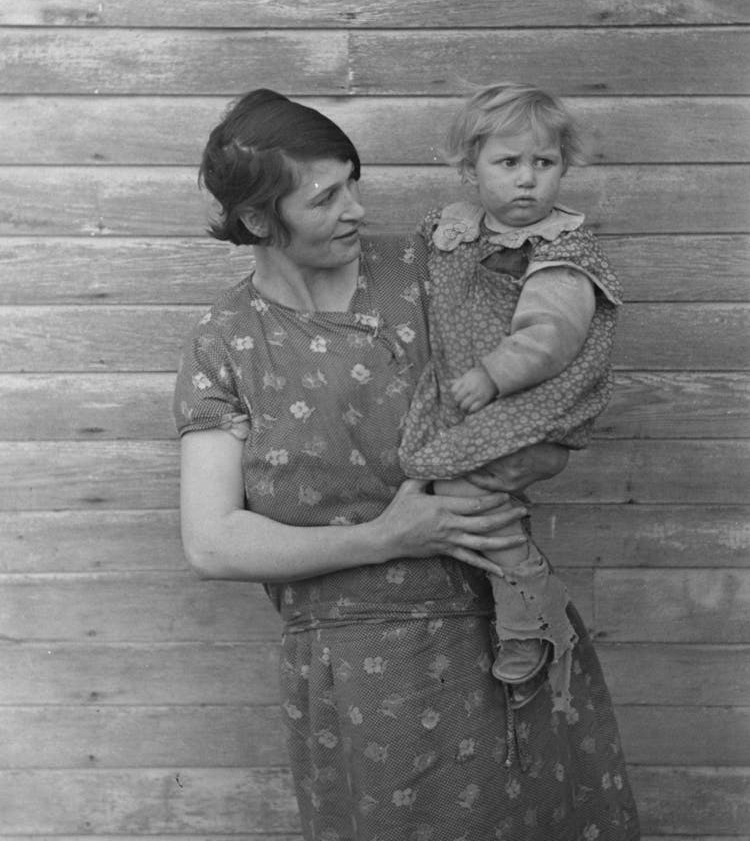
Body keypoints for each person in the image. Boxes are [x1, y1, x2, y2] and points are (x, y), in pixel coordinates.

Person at [173, 88, 640, 840]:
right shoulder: (225, 343)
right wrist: (390, 534)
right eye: (327, 198)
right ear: (260, 219)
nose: (356, 209)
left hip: (501, 632)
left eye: (354, 182)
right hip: (356, 674)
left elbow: (555, 350)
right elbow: (212, 541)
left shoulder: (433, 263)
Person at [399, 84, 623, 713]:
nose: (527, 179)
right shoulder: (455, 231)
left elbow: (549, 336)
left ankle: (527, 601)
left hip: (532, 405)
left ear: (562, 168)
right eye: (508, 163)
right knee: (454, 487)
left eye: (543, 163)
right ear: (469, 169)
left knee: (465, 493)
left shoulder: (562, 252)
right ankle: (507, 588)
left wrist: (494, 374)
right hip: (473, 398)